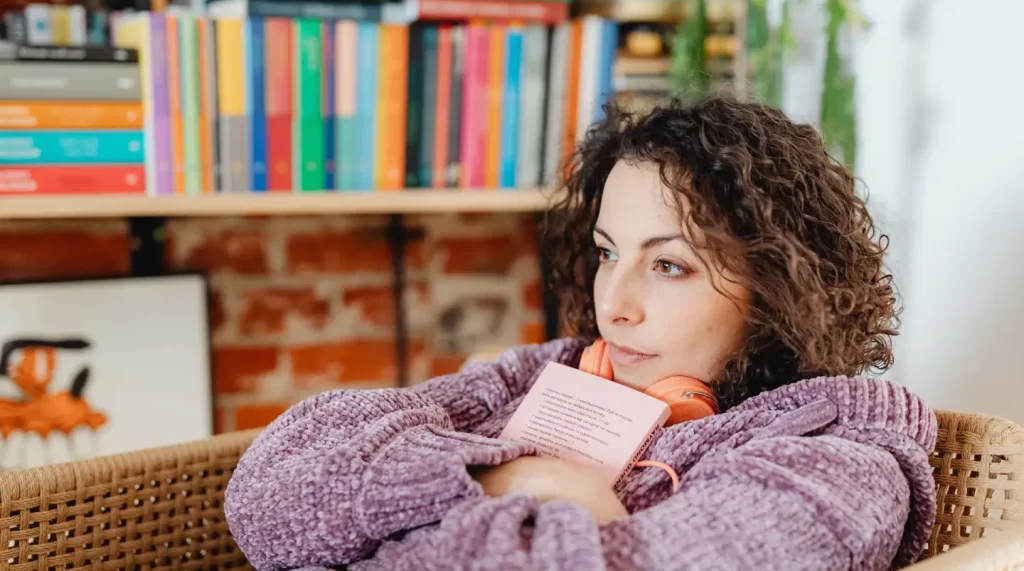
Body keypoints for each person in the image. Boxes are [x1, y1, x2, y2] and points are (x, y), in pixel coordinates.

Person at [224, 96, 937, 571]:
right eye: (606, 253)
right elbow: (265, 496)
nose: (614, 306)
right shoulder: (556, 371)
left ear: (778, 287)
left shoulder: (838, 465)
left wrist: (368, 536)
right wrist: (522, 476)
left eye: (669, 264)